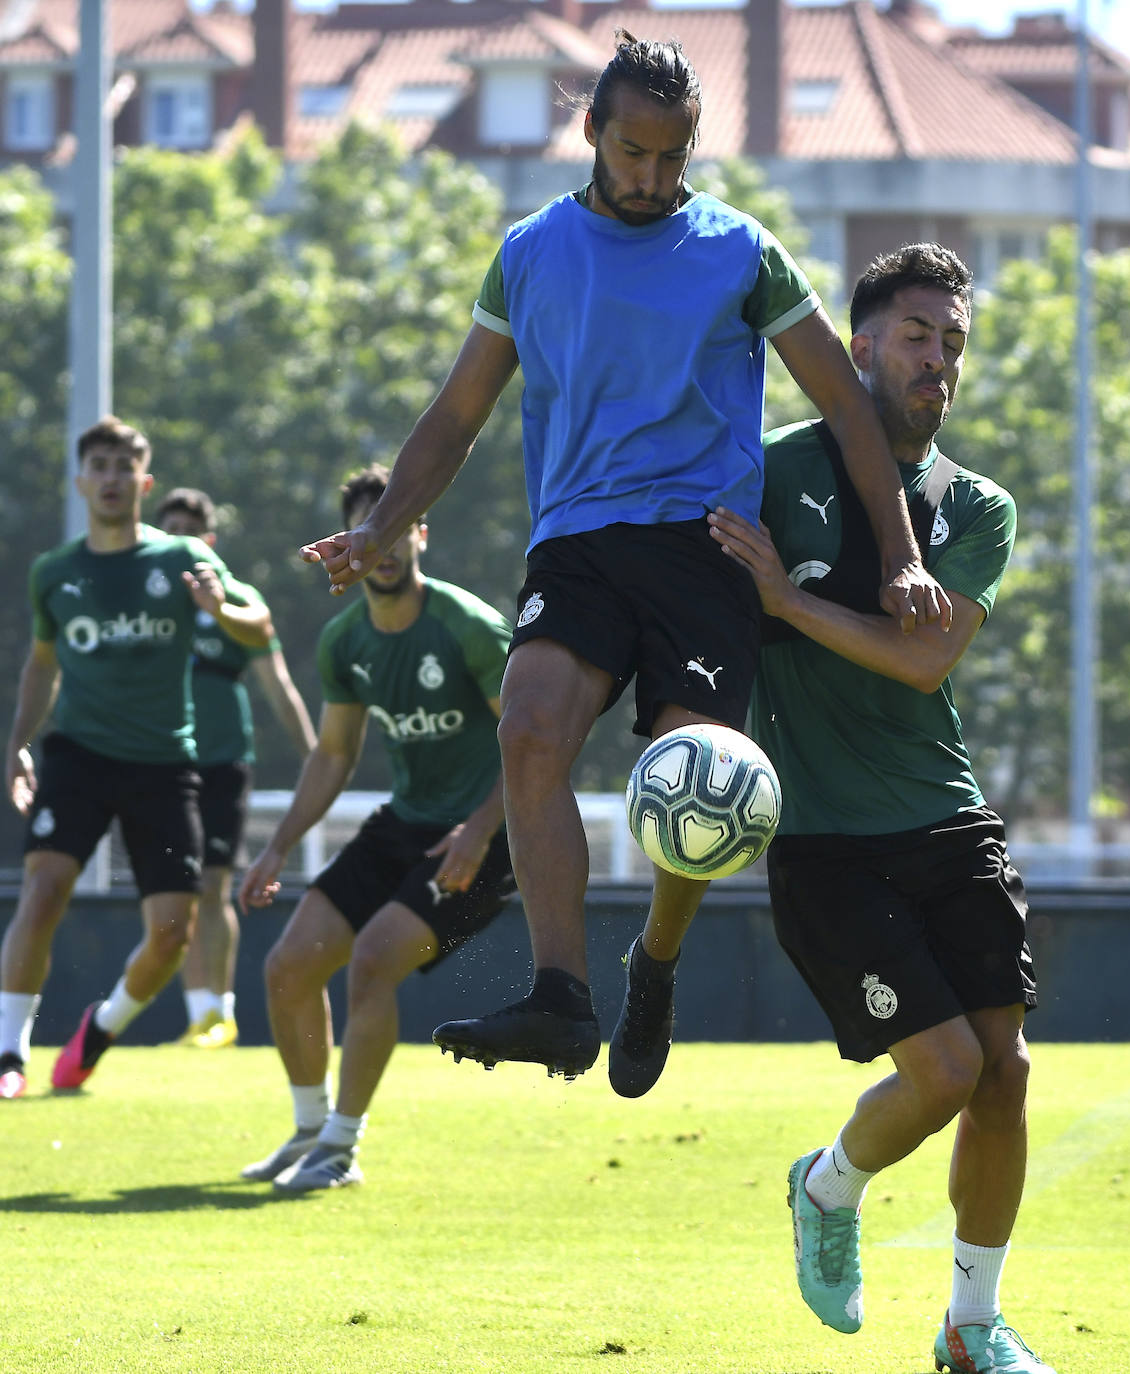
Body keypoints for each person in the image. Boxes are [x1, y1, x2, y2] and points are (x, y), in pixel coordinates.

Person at [299, 32, 951, 1081]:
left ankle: (655, 958)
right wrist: (379, 526)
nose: (653, 177)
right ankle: (561, 997)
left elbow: (840, 401)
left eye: (673, 156)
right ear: (591, 131)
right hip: (577, 545)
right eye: (634, 152)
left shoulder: (742, 250)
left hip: (704, 551)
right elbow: (455, 415)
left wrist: (901, 557)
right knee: (527, 729)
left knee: (689, 774)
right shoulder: (528, 253)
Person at [704, 243, 1054, 1373]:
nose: (937, 363)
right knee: (944, 1072)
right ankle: (826, 1186)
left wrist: (781, 600)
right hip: (821, 839)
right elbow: (698, 620)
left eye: (952, 344)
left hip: (944, 816)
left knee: (1003, 1073)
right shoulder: (762, 473)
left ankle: (971, 1326)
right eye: (916, 336)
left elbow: (923, 660)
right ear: (854, 344)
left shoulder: (973, 506)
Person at [236, 465, 515, 1190]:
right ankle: (308, 1130)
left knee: (371, 963)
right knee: (287, 968)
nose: (383, 544)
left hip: (490, 835)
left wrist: (479, 832)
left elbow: (537, 747)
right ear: (348, 546)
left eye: (396, 526)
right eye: (370, 531)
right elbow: (333, 755)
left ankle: (342, 1148)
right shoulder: (345, 642)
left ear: (421, 532)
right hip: (406, 824)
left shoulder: (470, 628)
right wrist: (276, 847)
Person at [0, 416, 268, 1100]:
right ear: (81, 480)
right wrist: (18, 745)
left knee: (173, 935)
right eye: (101, 465)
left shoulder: (180, 558)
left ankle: (101, 1028)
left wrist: (219, 607)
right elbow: (41, 666)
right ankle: (9, 1054)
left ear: (143, 482)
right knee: (44, 887)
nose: (113, 478)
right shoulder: (55, 574)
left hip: (165, 765)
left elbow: (258, 626)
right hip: (79, 757)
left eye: (125, 466)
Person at [155, 488, 316, 1049]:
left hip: (224, 760)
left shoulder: (241, 600)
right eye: (170, 530)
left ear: (211, 540)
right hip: (163, 762)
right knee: (177, 888)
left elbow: (279, 686)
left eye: (192, 532)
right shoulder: (150, 599)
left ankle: (219, 1015)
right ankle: (196, 1013)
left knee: (215, 884)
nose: (183, 541)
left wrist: (316, 756)